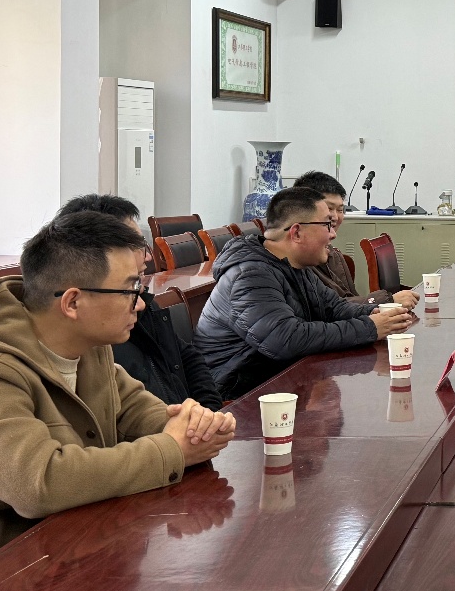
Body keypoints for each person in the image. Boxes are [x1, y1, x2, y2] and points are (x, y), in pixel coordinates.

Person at [0, 212, 235, 521]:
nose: (141, 304)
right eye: (130, 291)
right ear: (73, 303)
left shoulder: (91, 346)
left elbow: (135, 408)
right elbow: (38, 484)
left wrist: (196, 427)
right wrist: (171, 450)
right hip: (25, 548)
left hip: (89, 530)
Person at [195, 186, 414, 400]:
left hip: (278, 379)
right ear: (297, 232)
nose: (333, 234)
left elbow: (334, 308)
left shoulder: (294, 265)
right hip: (237, 395)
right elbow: (286, 339)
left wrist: (377, 313)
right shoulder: (249, 275)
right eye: (327, 225)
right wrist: (369, 327)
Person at [55, 193, 222, 411]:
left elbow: (188, 357)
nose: (149, 256)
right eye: (137, 245)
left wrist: (208, 411)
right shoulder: (92, 341)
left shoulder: (144, 303)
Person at [292, 171, 419, 308]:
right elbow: (328, 308)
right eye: (329, 208)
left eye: (340, 210)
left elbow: (348, 302)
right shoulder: (297, 261)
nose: (335, 217)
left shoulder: (333, 254)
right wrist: (387, 301)